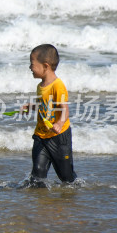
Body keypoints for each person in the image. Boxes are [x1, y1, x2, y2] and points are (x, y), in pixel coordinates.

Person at [24, 43, 77, 186]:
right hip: (41, 136)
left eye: (32, 64)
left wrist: (59, 123)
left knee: (66, 178)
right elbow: (45, 107)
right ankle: (40, 200)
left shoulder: (57, 85)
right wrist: (31, 107)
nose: (30, 67)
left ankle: (75, 193)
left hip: (59, 137)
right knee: (37, 173)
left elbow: (64, 108)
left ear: (46, 66)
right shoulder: (40, 86)